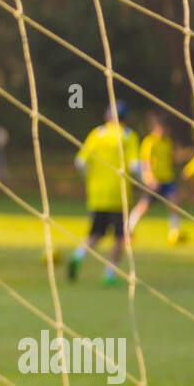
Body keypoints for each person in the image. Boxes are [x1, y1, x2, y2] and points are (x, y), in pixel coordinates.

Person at [68, 101, 140, 286]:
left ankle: (78, 255)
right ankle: (109, 275)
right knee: (119, 237)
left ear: (108, 116)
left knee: (96, 233)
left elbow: (80, 162)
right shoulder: (128, 136)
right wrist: (142, 181)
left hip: (97, 195)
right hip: (119, 195)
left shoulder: (97, 134)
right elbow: (134, 165)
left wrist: (90, 178)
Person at [127, 112, 183, 245]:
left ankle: (175, 232)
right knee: (143, 207)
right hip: (153, 181)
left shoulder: (168, 142)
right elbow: (145, 162)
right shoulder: (149, 142)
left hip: (167, 180)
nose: (164, 132)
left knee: (174, 204)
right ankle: (128, 230)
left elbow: (171, 159)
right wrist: (150, 178)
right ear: (157, 127)